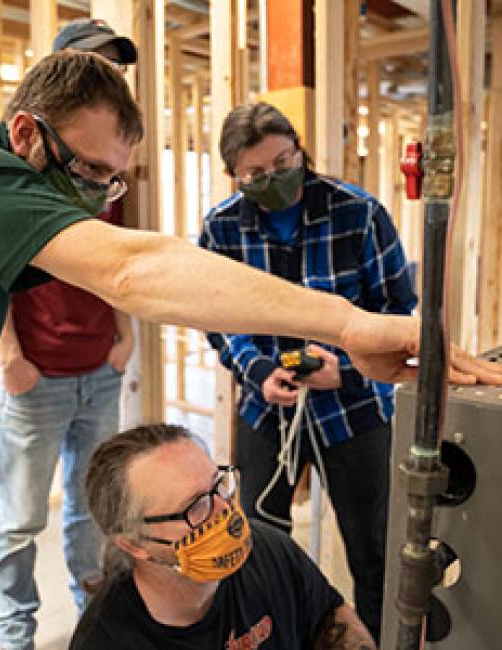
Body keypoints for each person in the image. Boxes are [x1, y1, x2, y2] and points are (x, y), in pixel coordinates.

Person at [0, 49, 502, 649]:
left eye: (110, 178)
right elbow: (136, 271)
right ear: (24, 134)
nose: (99, 193)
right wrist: (346, 324)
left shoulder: (356, 212)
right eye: (88, 171)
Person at [197, 101, 416, 642]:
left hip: (355, 410)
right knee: (258, 545)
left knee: (373, 549)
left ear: (300, 149)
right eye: (256, 174)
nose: (274, 178)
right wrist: (259, 369)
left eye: (284, 161)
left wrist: (353, 371)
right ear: (235, 176)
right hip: (266, 407)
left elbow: (396, 310)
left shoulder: (359, 213)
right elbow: (211, 315)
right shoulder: (222, 228)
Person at [0, 20, 137, 650]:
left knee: (89, 514)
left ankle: (91, 624)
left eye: (115, 66)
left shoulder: (109, 167)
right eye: (95, 63)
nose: (109, 74)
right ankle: (15, 635)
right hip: (38, 373)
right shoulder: (18, 165)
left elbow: (122, 261)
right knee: (20, 521)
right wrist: (10, 354)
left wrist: (124, 332)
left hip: (99, 369)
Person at [69, 423, 377, 649]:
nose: (224, 511)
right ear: (134, 544)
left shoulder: (267, 547)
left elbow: (329, 616)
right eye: (195, 506)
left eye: (219, 486)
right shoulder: (106, 639)